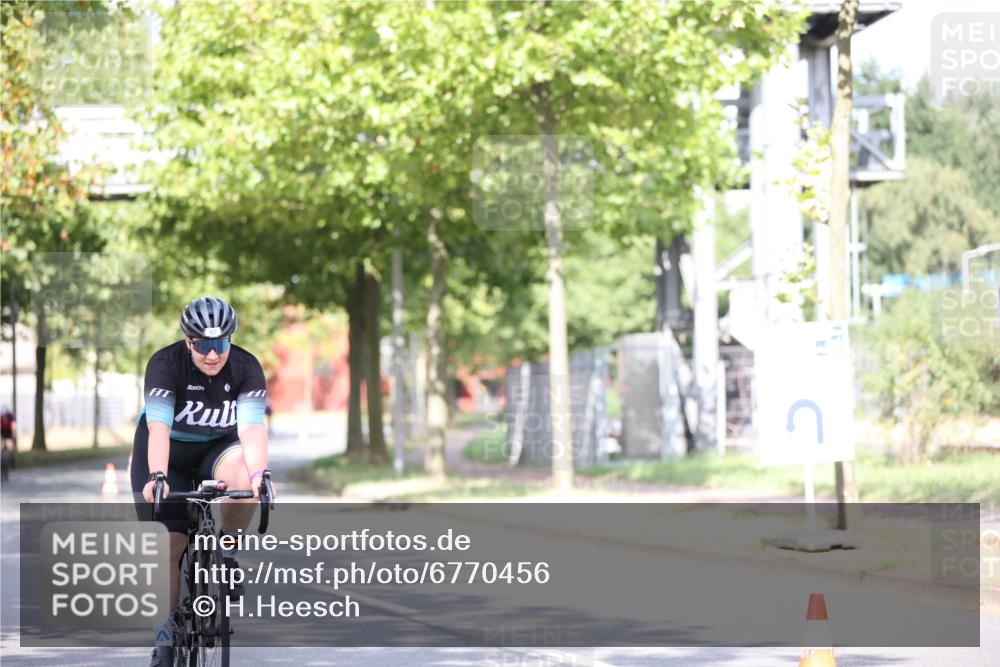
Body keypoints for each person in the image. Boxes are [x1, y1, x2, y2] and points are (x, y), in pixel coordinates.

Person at [131, 296, 277, 666]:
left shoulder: (245, 367)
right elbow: (159, 429)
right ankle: (163, 639)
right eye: (203, 345)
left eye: (221, 343)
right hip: (167, 456)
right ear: (188, 341)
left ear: (231, 339)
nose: (213, 354)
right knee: (169, 545)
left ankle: (227, 551)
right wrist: (158, 477)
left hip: (217, 450)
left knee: (246, 476)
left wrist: (259, 475)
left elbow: (252, 430)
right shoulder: (165, 365)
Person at [0, 406, 15, 478]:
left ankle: (11, 461)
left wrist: (12, 439)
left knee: (9, 449)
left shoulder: (10, 417)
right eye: (2, 416)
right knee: (1, 449)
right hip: (2, 434)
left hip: (9, 434)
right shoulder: (0, 420)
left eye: (4, 416)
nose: (3, 417)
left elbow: (13, 428)